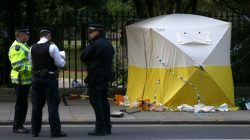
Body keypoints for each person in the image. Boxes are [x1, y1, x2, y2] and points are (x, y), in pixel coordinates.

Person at [30, 27, 67, 137]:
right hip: (48, 78)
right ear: (49, 35)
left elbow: (32, 64)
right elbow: (60, 63)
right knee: (52, 105)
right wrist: (63, 59)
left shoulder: (32, 48)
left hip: (36, 79)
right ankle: (55, 131)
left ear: (40, 35)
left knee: (36, 105)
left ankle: (34, 130)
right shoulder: (52, 46)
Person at [81, 24, 115, 136]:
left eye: (91, 32)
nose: (90, 34)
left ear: (97, 32)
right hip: (105, 76)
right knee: (104, 101)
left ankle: (100, 128)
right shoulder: (108, 44)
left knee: (96, 101)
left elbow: (83, 56)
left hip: (95, 77)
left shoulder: (95, 44)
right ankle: (107, 126)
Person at [8, 26, 32, 134]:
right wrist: (33, 69)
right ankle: (17, 126)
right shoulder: (16, 47)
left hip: (24, 80)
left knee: (23, 104)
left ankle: (19, 125)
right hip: (20, 80)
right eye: (27, 34)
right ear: (21, 35)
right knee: (21, 104)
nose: (28, 36)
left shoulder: (23, 45)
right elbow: (17, 66)